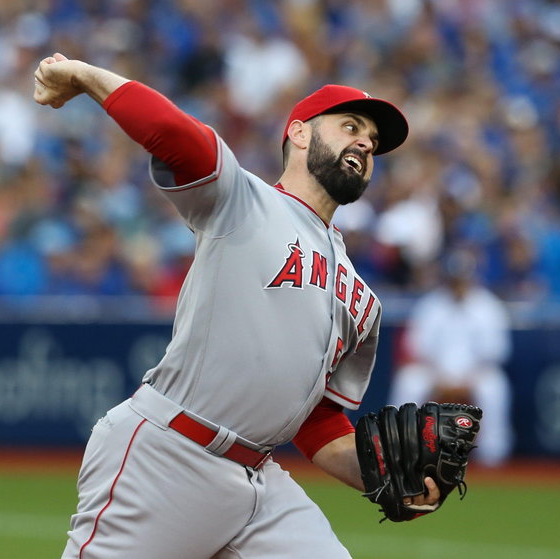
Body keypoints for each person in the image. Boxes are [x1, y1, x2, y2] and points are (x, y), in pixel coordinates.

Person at [33, 52, 439, 558]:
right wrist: (84, 75)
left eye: (373, 142)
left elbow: (318, 424)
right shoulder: (243, 201)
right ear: (299, 134)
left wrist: (392, 479)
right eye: (350, 126)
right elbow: (174, 134)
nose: (364, 142)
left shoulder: (363, 299)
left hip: (258, 479)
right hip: (168, 455)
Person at [388, 248, 514, 466]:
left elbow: (497, 352)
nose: (458, 284)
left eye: (463, 277)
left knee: (494, 386)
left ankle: (493, 456)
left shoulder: (488, 306)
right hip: (434, 372)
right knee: (408, 381)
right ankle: (397, 449)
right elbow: (416, 348)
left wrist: (467, 380)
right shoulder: (431, 305)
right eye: (455, 278)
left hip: (475, 374)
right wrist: (440, 378)